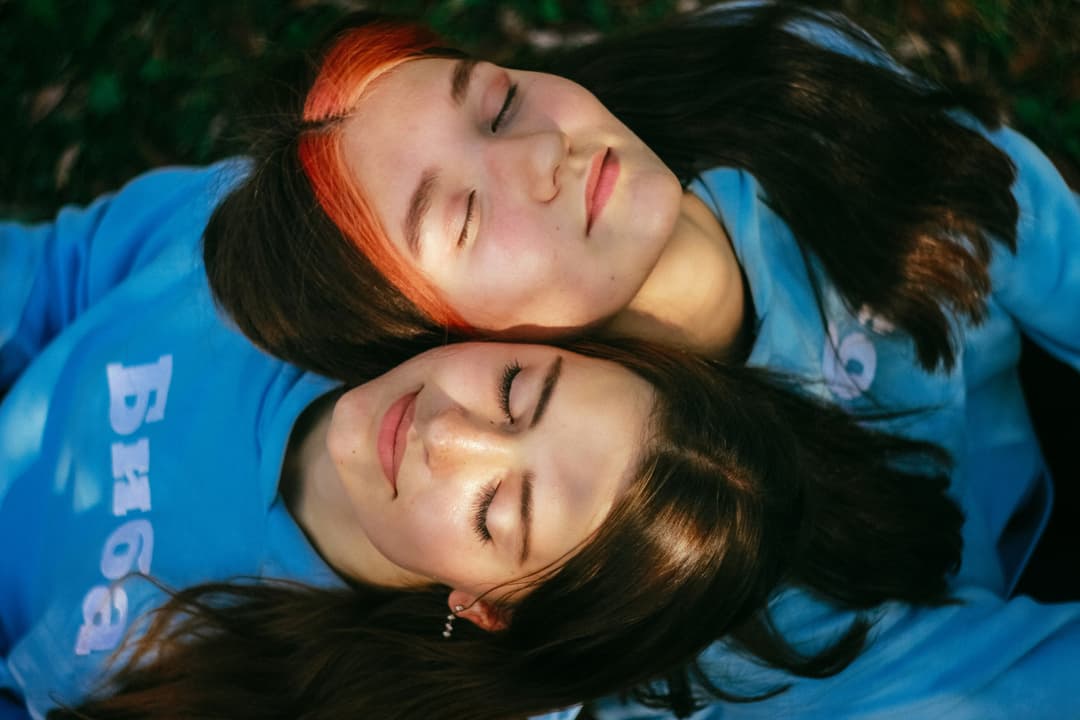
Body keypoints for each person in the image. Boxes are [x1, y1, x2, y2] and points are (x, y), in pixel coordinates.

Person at [199, 2, 1080, 717]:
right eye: (463, 217)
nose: (540, 151)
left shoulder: (784, 79)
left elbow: (1050, 250)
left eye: (500, 105)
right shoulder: (691, 570)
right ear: (443, 340)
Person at [2, 163, 1005, 719]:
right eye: (518, 390)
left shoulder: (261, 691)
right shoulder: (306, 256)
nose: (449, 436)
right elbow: (60, 271)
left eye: (497, 512)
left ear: (484, 609)